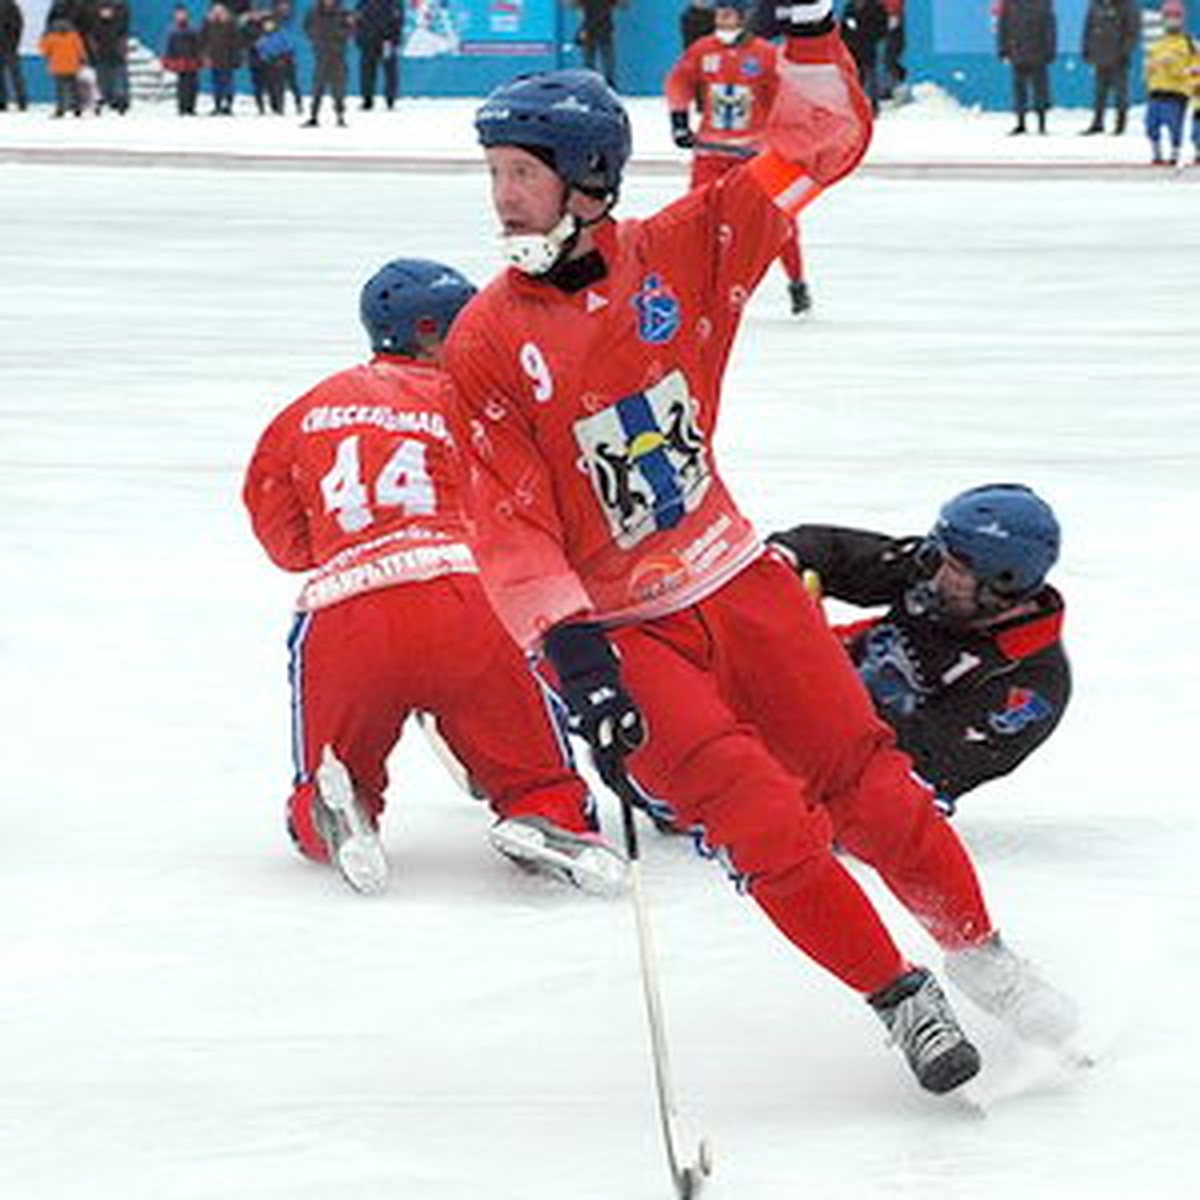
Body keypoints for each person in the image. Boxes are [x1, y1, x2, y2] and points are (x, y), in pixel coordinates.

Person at [443, 16, 1078, 1097]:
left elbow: (819, 141)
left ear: (589, 179)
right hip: (622, 632)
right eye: (495, 172)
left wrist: (808, 37)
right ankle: (902, 999)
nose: (503, 196)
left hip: (738, 579)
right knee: (761, 820)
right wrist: (572, 649)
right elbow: (505, 521)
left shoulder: (692, 245)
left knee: (872, 788)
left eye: (522, 173)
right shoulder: (486, 339)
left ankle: (978, 953)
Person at [243, 258, 626, 896]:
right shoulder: (480, 400)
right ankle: (545, 816)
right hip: (469, 598)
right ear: (429, 332)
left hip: (345, 610)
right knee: (536, 773)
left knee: (331, 774)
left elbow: (284, 539)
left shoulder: (303, 411)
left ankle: (335, 808)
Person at [767, 485, 1070, 816]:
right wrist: (780, 565)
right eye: (939, 558)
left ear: (1003, 584)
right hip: (806, 685)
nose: (935, 575)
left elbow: (923, 758)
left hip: (850, 782)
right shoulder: (940, 571)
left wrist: (812, 674)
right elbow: (830, 552)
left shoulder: (1031, 688)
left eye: (954, 569)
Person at [665, 0, 812, 314]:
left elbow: (786, 96)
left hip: (754, 155)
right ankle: (698, 287)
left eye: (728, 15)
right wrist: (679, 120)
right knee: (698, 218)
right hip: (711, 152)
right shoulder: (703, 50)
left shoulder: (765, 54)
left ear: (745, 19)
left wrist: (785, 138)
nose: (722, 21)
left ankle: (797, 282)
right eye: (718, 15)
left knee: (779, 218)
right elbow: (679, 81)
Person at [1143, 0, 1199, 165]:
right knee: (1151, 125)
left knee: (1174, 126)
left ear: (1183, 19)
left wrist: (1176, 69)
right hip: (1156, 91)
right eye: (1168, 17)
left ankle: (1175, 152)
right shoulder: (1158, 44)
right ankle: (1156, 153)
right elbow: (1150, 66)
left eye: (1176, 17)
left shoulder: (1188, 44)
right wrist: (1150, 74)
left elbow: (1193, 69)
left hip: (1176, 93)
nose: (1172, 21)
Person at [1079, 0, 1139, 135]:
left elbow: (1132, 31)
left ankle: (1120, 124)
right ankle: (1097, 122)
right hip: (1099, 56)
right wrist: (1086, 49)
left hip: (1118, 58)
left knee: (1120, 93)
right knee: (1099, 93)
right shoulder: (1095, 5)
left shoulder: (1126, 5)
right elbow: (1088, 28)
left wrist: (1125, 51)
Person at [997, 0, 1057, 135]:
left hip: (1037, 53)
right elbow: (1003, 27)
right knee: (1019, 90)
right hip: (1018, 52)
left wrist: (1050, 50)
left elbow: (1050, 28)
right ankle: (1020, 122)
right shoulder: (1010, 4)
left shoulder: (1043, 3)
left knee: (1039, 90)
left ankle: (1041, 123)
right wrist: (1003, 49)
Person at [302, 0, 351, 127]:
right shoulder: (313, 12)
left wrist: (339, 37)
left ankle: (340, 116)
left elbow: (351, 30)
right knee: (318, 86)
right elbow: (306, 27)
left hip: (337, 55)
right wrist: (316, 38)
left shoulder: (343, 12)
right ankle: (313, 116)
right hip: (321, 54)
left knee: (338, 87)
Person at [839, 0, 888, 112]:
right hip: (853, 51)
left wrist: (867, 34)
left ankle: (873, 107)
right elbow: (843, 28)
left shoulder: (877, 7)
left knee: (871, 79)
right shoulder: (849, 7)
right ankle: (855, 107)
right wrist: (847, 42)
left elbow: (882, 29)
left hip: (869, 49)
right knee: (855, 80)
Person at [39, 11, 87, 117]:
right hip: (73, 66)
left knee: (60, 90)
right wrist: (83, 59)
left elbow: (43, 50)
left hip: (57, 67)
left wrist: (43, 38)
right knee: (74, 88)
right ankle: (77, 108)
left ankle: (61, 109)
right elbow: (80, 49)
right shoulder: (73, 35)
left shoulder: (51, 36)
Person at [355, 0, 401, 110]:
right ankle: (367, 99)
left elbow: (398, 22)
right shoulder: (363, 3)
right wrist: (360, 39)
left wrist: (394, 40)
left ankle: (390, 100)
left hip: (387, 42)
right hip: (368, 42)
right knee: (367, 72)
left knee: (390, 72)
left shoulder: (393, 3)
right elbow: (357, 21)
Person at [86, 0, 130, 114]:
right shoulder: (96, 25)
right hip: (101, 56)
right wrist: (94, 50)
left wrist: (121, 49)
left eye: (108, 11)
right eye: (104, 11)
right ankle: (105, 99)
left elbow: (122, 36)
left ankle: (120, 101)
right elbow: (92, 38)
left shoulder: (117, 24)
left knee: (118, 79)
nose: (106, 13)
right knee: (103, 79)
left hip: (116, 56)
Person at [201, 1, 241, 115]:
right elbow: (203, 40)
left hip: (228, 59)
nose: (218, 12)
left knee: (228, 82)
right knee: (215, 83)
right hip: (214, 59)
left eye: (220, 10)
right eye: (215, 10)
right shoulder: (208, 23)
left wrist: (236, 58)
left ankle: (228, 105)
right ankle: (217, 105)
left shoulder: (231, 23)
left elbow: (236, 42)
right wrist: (205, 55)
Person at [163, 4, 203, 115]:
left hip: (192, 61)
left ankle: (191, 107)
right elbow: (169, 47)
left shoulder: (193, 30)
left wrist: (200, 59)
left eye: (182, 14)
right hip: (179, 62)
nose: (180, 16)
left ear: (187, 15)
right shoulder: (173, 31)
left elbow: (199, 45)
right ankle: (182, 107)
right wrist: (168, 60)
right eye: (178, 14)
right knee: (182, 85)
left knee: (193, 85)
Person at [573, 0, 621, 86]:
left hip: (591, 29)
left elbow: (576, 6)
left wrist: (583, 29)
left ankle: (592, 84)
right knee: (606, 59)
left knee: (591, 61)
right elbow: (620, 5)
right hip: (603, 28)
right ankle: (608, 84)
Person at [0, 0, 28, 112]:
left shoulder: (11, 5)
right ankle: (3, 102)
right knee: (10, 76)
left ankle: (22, 101)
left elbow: (18, 25)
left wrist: (14, 43)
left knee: (15, 75)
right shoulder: (12, 5)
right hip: (9, 46)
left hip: (9, 46)